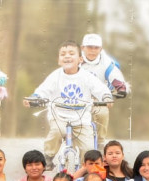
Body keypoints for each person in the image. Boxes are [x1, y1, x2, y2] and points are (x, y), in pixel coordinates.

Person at [26, 40, 112, 170]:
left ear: (80, 59)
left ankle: (87, 169)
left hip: (81, 119)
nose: (67, 56)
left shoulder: (86, 76)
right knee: (55, 132)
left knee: (88, 149)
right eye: (63, 54)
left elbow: (100, 88)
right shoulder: (55, 76)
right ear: (59, 60)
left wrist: (106, 97)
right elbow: (43, 90)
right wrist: (35, 98)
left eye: (71, 53)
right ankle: (48, 157)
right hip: (59, 116)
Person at [79, 33, 128, 143]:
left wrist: (121, 89)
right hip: (78, 96)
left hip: (99, 97)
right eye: (89, 47)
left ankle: (100, 143)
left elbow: (115, 76)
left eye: (96, 48)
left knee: (102, 113)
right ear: (83, 48)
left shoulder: (106, 62)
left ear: (101, 49)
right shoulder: (76, 59)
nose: (92, 51)